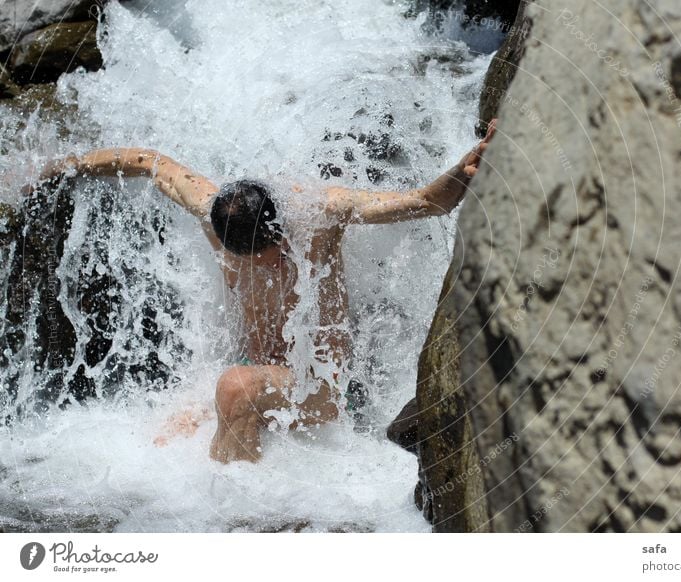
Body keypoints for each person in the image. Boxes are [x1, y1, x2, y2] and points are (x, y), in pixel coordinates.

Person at [35, 119, 497, 463]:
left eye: (273, 256)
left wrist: (468, 164)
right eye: (248, 260)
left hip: (322, 387)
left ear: (281, 228)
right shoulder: (210, 204)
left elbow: (426, 202)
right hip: (257, 369)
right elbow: (144, 161)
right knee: (161, 442)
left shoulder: (322, 212)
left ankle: (242, 523)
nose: (266, 267)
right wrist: (58, 168)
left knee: (236, 389)